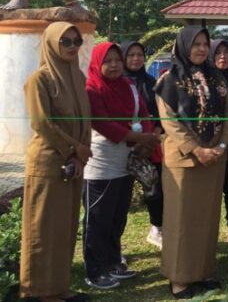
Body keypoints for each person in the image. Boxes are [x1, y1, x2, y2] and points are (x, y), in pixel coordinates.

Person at [154, 26, 228, 299]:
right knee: (181, 220)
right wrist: (196, 150)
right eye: (195, 44)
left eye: (204, 43)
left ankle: (204, 272)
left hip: (214, 160)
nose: (201, 48)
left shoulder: (218, 79)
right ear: (184, 46)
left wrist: (221, 145)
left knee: (207, 218)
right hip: (184, 160)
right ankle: (179, 278)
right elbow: (170, 123)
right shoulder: (168, 80)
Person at [20, 22, 92, 302]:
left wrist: (80, 152)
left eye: (77, 41)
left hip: (73, 163)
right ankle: (38, 291)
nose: (73, 46)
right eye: (66, 42)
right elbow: (42, 123)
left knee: (64, 228)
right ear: (51, 43)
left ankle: (59, 288)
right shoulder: (39, 79)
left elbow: (85, 118)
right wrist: (75, 148)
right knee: (43, 229)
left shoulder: (77, 77)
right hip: (48, 163)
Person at [83, 42, 159, 290]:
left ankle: (114, 262)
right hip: (101, 163)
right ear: (97, 63)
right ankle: (95, 271)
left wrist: (146, 141)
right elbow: (104, 124)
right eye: (108, 61)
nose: (114, 65)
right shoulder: (92, 89)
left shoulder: (129, 86)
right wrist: (140, 139)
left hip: (127, 160)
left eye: (117, 60)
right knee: (98, 218)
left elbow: (144, 114)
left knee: (118, 216)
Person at [121, 40, 163, 250]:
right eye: (131, 55)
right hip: (123, 145)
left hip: (150, 144)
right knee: (122, 192)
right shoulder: (117, 83)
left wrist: (155, 135)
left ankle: (157, 227)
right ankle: (116, 239)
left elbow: (160, 114)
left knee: (155, 187)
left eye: (139, 55)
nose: (136, 59)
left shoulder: (150, 82)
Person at [209, 39, 228, 243]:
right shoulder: (206, 82)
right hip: (210, 145)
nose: (222, 56)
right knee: (211, 192)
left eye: (226, 52)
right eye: (218, 52)